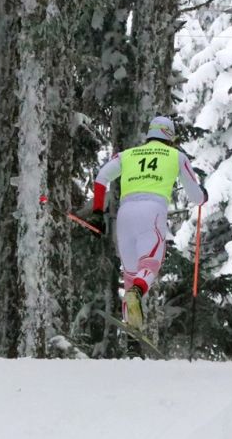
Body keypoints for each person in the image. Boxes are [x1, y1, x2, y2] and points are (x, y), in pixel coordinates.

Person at [83, 116, 207, 330]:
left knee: (131, 274)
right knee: (150, 264)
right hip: (152, 211)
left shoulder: (127, 155)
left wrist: (97, 212)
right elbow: (196, 197)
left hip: (125, 214)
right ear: (169, 136)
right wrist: (203, 196)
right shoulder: (177, 156)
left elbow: (102, 176)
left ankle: (132, 336)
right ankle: (137, 293)